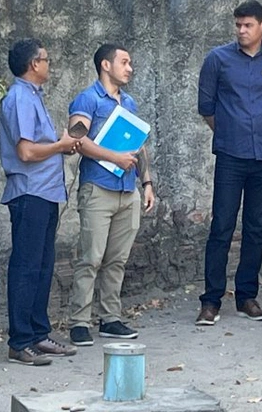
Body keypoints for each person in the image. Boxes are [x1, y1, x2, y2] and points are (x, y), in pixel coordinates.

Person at [195, 0, 262, 325]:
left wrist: (260, 128)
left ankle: (246, 297)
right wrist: (233, 130)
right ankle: (211, 301)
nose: (241, 30)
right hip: (230, 155)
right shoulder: (218, 60)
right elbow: (206, 107)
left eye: (248, 25)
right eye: (238, 25)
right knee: (221, 226)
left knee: (256, 227)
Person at [0, 39, 80, 365]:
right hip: (29, 192)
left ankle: (37, 334)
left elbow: (42, 144)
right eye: (46, 59)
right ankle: (20, 342)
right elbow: (26, 152)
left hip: (46, 191)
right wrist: (60, 145)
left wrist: (61, 144)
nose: (49, 64)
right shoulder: (19, 97)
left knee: (43, 267)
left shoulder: (33, 97)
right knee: (26, 268)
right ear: (34, 64)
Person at [67, 44, 155, 346]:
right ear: (106, 65)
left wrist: (147, 182)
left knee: (117, 259)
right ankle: (79, 322)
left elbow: (139, 145)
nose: (130, 68)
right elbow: (75, 138)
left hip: (127, 189)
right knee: (90, 258)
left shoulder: (128, 103)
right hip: (98, 188)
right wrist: (114, 157)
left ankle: (110, 318)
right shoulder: (87, 99)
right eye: (125, 62)